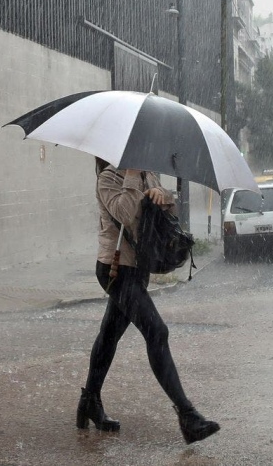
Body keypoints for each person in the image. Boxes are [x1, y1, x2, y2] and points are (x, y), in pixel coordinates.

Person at [76, 157, 220, 445]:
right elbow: (126, 213)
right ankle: (188, 416)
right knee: (157, 331)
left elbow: (169, 205)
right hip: (115, 270)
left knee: (108, 336)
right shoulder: (108, 178)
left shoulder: (148, 174)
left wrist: (161, 195)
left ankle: (89, 401)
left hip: (138, 269)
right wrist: (131, 175)